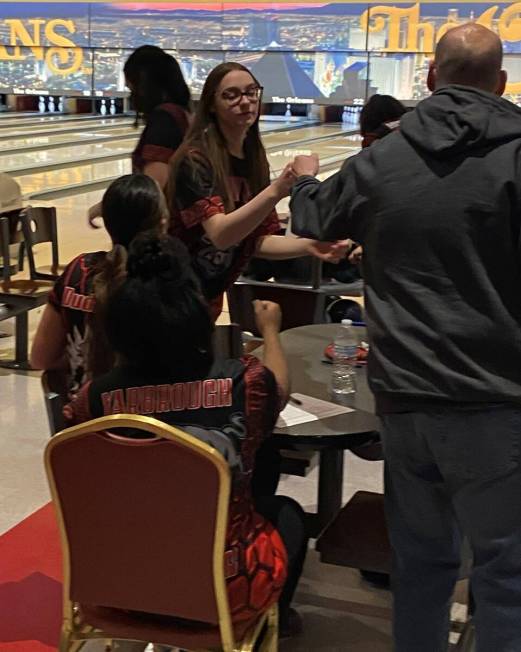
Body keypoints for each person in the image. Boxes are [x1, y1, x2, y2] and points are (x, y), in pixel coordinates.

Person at [289, 23, 521, 652]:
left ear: (428, 78)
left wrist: (306, 177)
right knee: (505, 574)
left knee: (420, 565)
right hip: (494, 398)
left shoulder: (382, 157)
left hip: (404, 398)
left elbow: (311, 217)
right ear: (500, 84)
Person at [65, 232, 308, 638]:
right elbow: (278, 393)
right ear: (197, 316)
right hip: (220, 593)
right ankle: (270, 628)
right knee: (287, 513)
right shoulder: (243, 384)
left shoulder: (93, 400)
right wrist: (270, 332)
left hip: (114, 585)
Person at [167, 61, 350, 319]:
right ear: (211, 104)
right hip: (168, 294)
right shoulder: (194, 160)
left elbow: (256, 240)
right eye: (231, 95)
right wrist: (277, 189)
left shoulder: (253, 158)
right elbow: (221, 235)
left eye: (251, 92)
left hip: (205, 295)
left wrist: (310, 246)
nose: (245, 102)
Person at [31, 174, 166, 395]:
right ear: (163, 224)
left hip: (82, 422)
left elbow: (40, 358)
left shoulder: (78, 271)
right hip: (147, 425)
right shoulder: (166, 278)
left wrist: (83, 359)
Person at [88, 46, 191, 225]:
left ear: (145, 85)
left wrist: (106, 206)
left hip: (168, 231)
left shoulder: (164, 119)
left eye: (133, 89)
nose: (132, 97)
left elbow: (151, 191)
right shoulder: (184, 113)